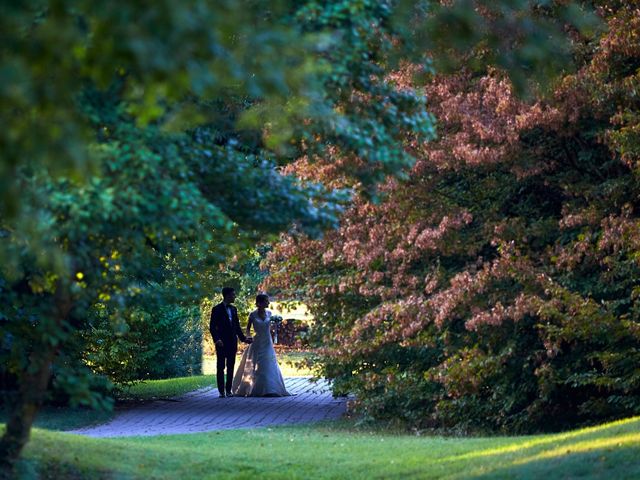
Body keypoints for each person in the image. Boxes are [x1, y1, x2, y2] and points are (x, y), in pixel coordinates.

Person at [231, 293, 291, 397]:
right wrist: (248, 337)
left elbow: (270, 328)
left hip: (267, 341)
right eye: (266, 301)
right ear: (260, 303)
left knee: (268, 362)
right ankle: (256, 388)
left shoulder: (269, 313)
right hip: (257, 341)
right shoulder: (253, 314)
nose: (268, 303)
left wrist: (275, 325)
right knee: (257, 362)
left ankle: (270, 389)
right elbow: (248, 329)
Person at [209, 287, 252, 398]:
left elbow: (236, 327)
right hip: (221, 342)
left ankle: (228, 390)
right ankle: (221, 391)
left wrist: (243, 339)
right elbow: (212, 327)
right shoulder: (216, 309)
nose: (235, 296)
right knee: (220, 366)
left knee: (231, 366)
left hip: (232, 342)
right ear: (227, 295)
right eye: (233, 295)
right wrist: (217, 339)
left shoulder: (234, 309)